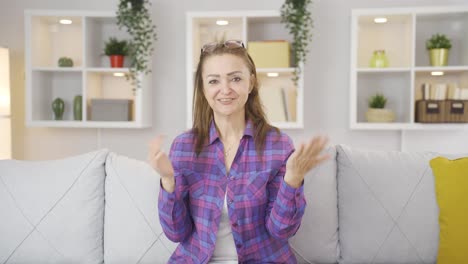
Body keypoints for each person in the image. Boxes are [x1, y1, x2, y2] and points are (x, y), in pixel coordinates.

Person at [148, 40, 330, 264]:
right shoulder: (184, 147)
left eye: (235, 78)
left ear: (251, 82)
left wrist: (292, 180)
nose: (225, 90)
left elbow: (282, 231)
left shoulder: (277, 145)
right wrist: (168, 181)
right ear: (203, 88)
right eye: (214, 81)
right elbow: (176, 233)